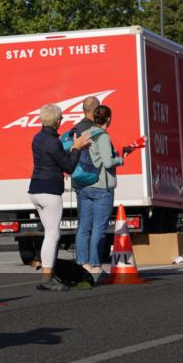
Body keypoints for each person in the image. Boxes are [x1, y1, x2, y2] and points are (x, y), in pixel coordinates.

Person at [28, 103, 93, 291]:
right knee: (52, 235)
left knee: (49, 234)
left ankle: (50, 274)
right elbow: (69, 167)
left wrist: (73, 148)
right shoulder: (53, 141)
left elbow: (54, 159)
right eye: (61, 118)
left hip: (35, 190)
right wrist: (76, 147)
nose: (62, 120)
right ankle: (48, 278)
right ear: (57, 121)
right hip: (50, 191)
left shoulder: (37, 138)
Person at [75, 105, 135, 276]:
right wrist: (121, 159)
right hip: (101, 187)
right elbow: (108, 163)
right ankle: (95, 265)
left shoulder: (87, 134)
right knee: (98, 228)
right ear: (108, 119)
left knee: (84, 226)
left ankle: (82, 263)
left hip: (84, 186)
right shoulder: (102, 136)